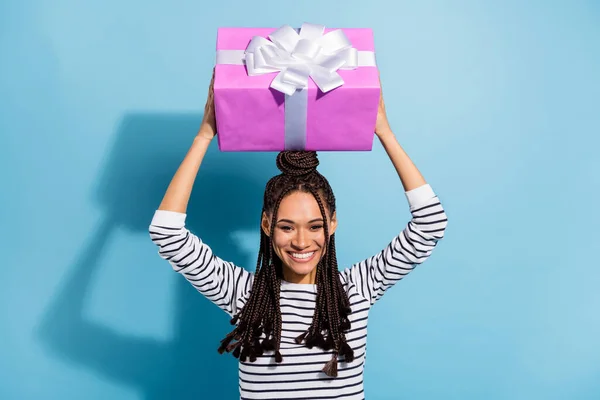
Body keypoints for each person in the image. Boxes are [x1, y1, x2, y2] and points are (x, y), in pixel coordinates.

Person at [148, 71, 448, 399]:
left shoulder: (358, 289)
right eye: (286, 226)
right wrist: (204, 136)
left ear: (332, 224)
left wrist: (385, 133)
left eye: (315, 226)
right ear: (266, 225)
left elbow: (430, 224)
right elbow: (167, 234)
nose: (302, 242)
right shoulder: (242, 293)